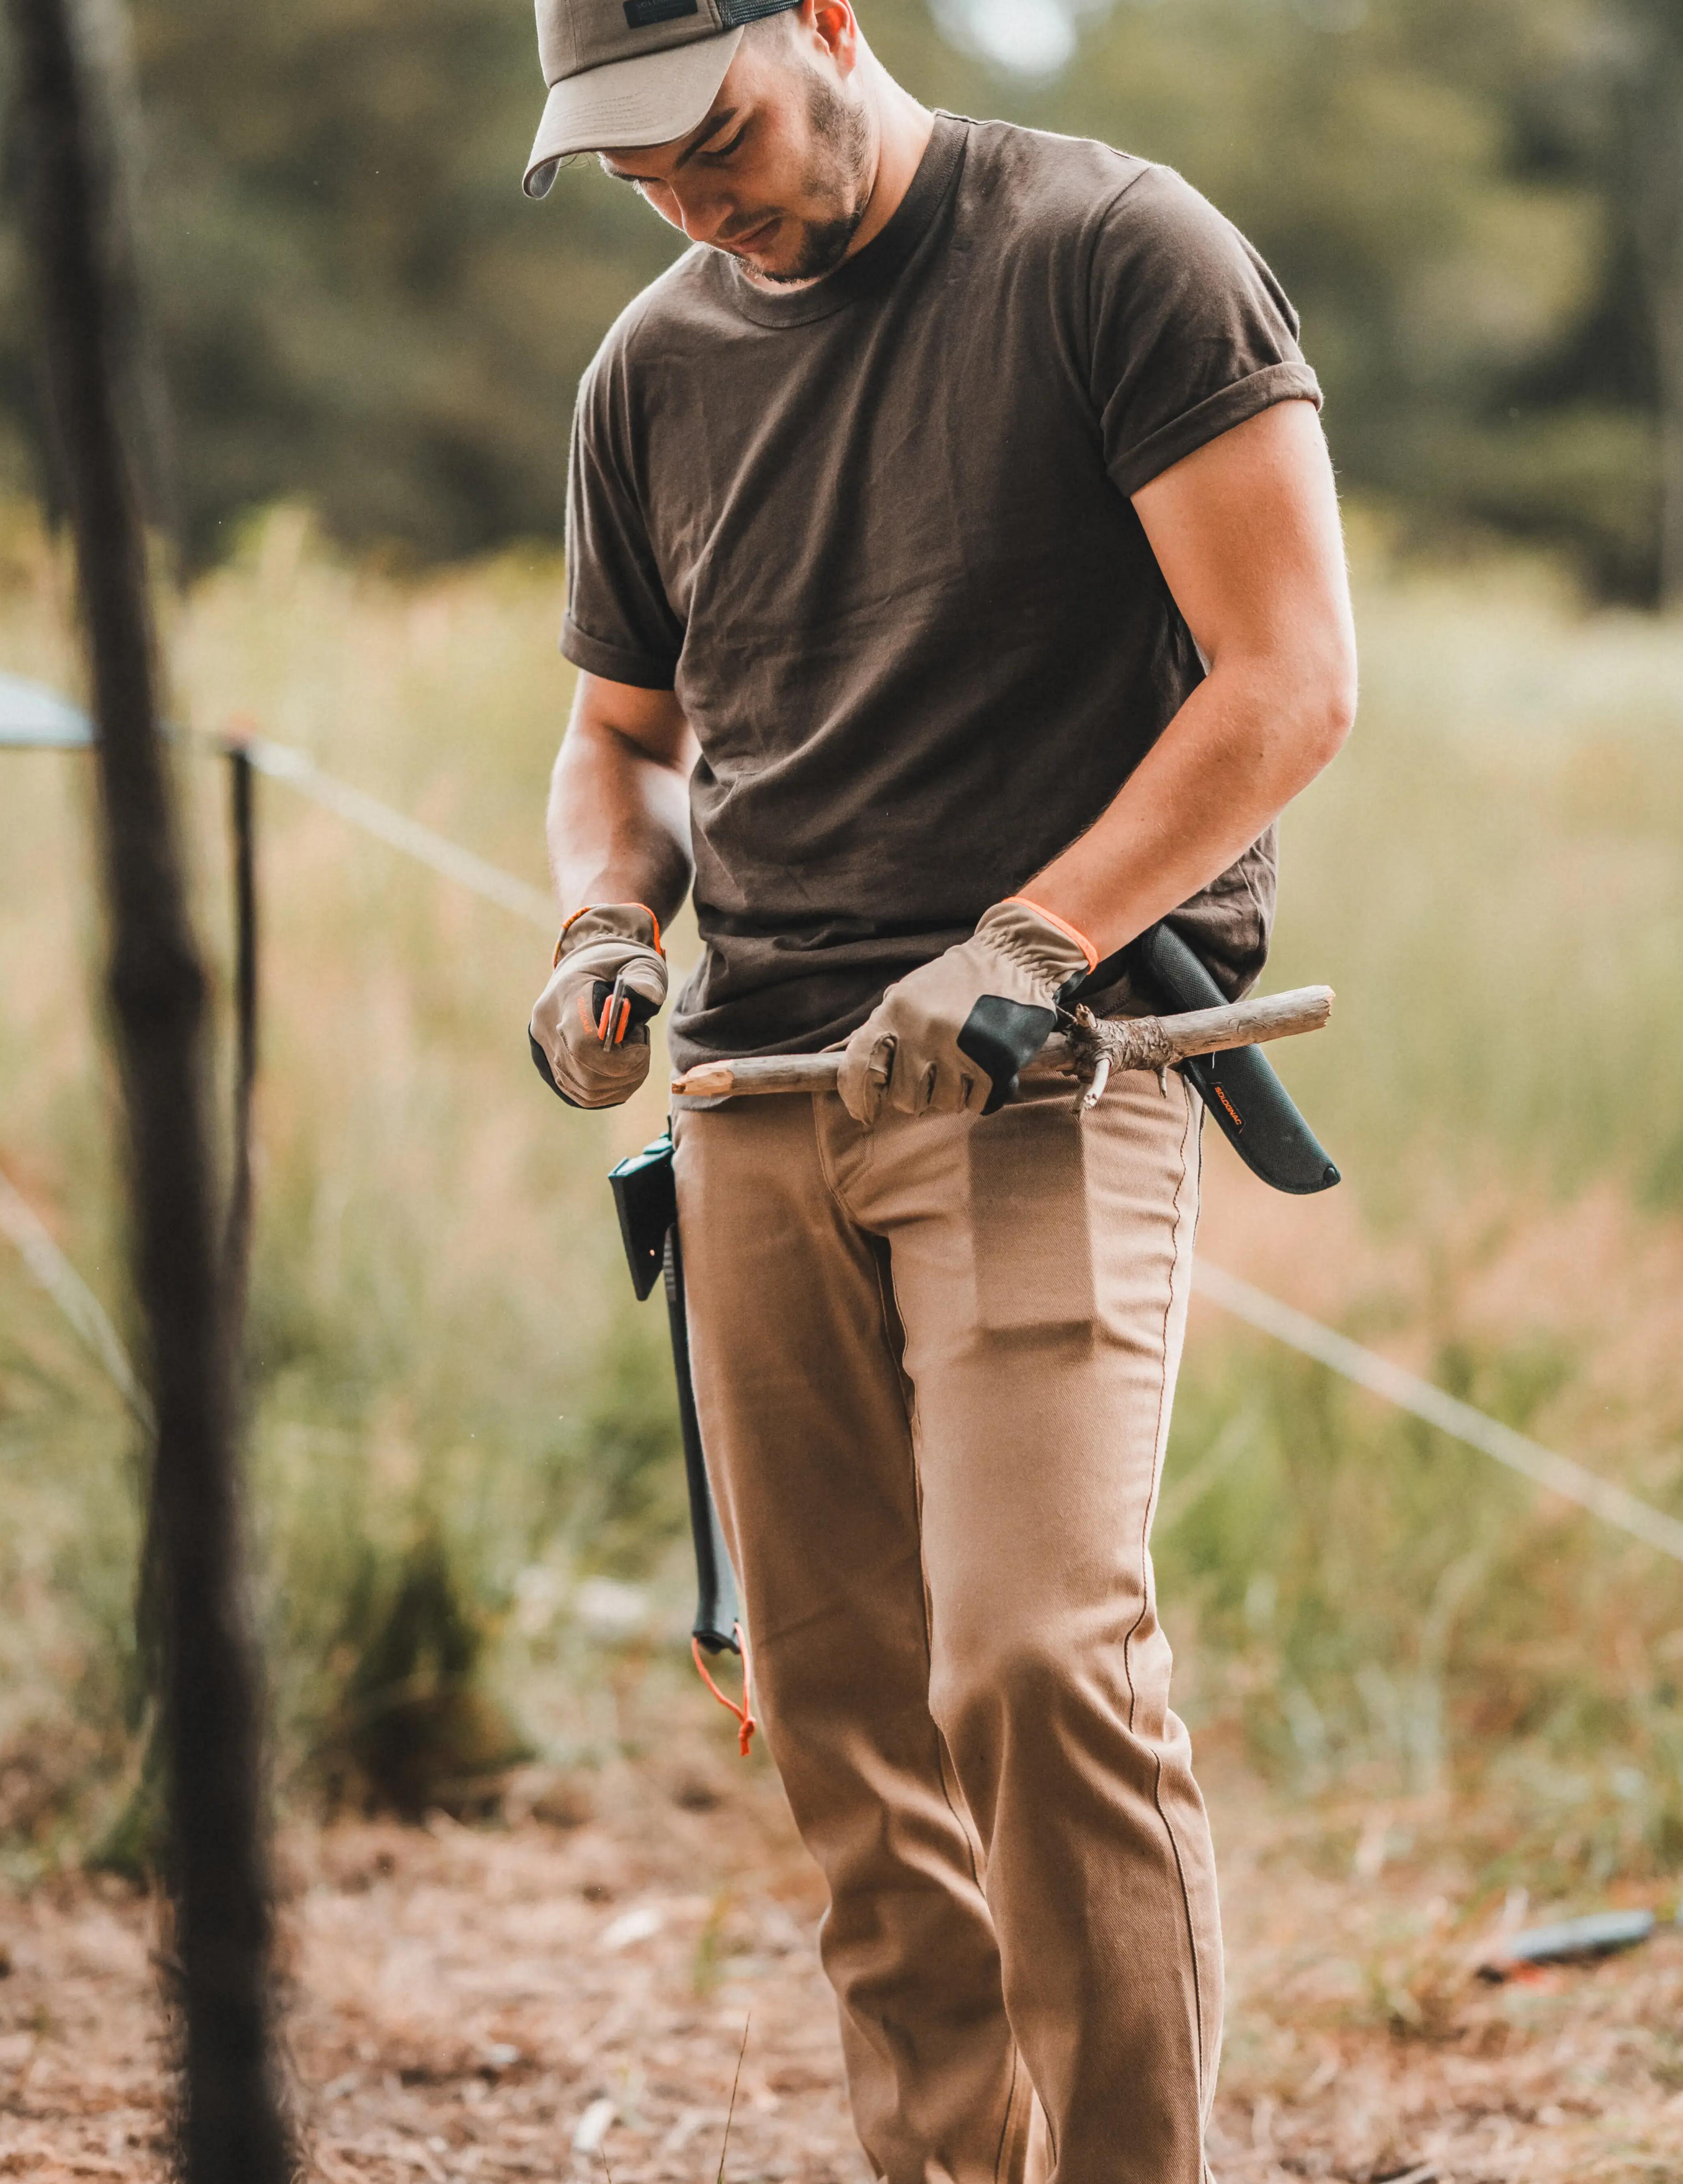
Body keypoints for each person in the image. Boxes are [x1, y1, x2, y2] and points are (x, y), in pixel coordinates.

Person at [522, 0, 1354, 2174]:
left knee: (1029, 1662)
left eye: (708, 132)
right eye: (633, 171)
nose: (693, 196)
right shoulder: (651, 375)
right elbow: (622, 734)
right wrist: (606, 928)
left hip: (1037, 1073)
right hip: (754, 1098)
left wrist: (1030, 938)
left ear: (823, 20)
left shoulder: (1112, 255)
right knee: (841, 1722)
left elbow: (1286, 679)